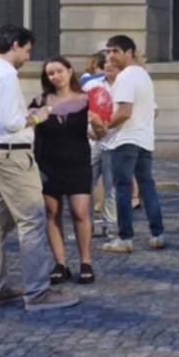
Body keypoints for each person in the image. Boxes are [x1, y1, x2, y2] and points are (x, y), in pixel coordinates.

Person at [0, 25, 79, 312]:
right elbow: (11, 123)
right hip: (12, 157)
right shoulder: (5, 75)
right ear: (16, 45)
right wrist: (39, 116)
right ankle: (37, 292)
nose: (28, 57)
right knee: (32, 221)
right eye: (27, 50)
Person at [31, 57, 104, 285]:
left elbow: (98, 134)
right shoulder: (40, 100)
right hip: (48, 162)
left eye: (59, 71)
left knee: (80, 212)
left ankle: (86, 261)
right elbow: (28, 130)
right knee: (51, 213)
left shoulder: (86, 100)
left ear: (70, 71)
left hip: (77, 162)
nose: (56, 76)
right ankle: (60, 263)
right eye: (51, 73)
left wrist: (99, 124)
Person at [99, 34, 164, 253]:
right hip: (144, 139)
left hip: (125, 140)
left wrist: (104, 127)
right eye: (108, 51)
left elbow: (124, 112)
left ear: (129, 52)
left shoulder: (125, 77)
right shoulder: (144, 75)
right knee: (147, 187)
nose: (110, 56)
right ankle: (157, 234)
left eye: (115, 51)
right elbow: (154, 111)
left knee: (123, 190)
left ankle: (125, 238)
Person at [83, 60, 117, 238]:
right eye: (107, 66)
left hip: (114, 141)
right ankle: (86, 226)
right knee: (86, 183)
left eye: (113, 66)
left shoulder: (125, 86)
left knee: (111, 186)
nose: (109, 69)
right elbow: (82, 108)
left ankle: (110, 225)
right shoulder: (92, 85)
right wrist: (89, 130)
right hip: (93, 141)